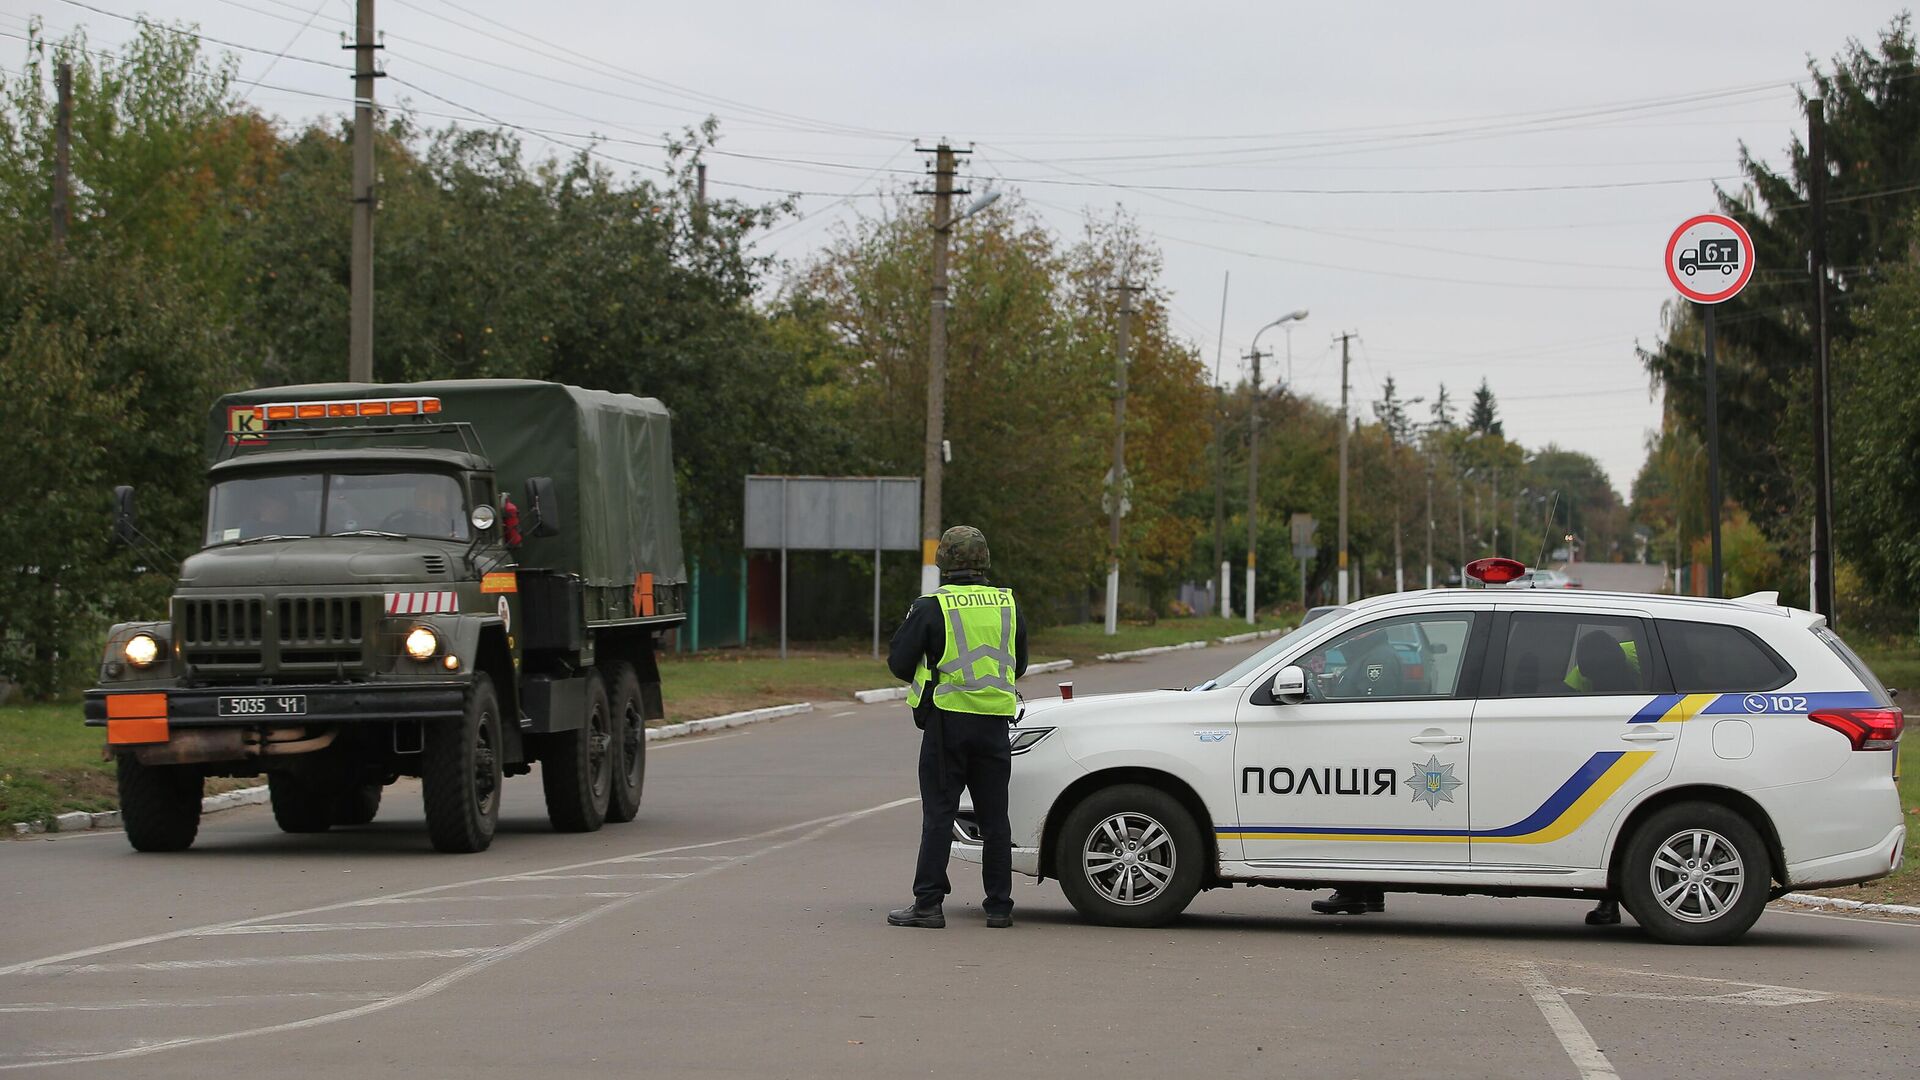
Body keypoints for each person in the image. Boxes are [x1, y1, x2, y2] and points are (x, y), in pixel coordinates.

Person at [884, 525, 1028, 930]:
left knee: (939, 813)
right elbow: (1019, 663)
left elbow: (898, 663)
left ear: (944, 561)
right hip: (995, 724)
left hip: (948, 723)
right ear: (984, 561)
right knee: (995, 817)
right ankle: (999, 907)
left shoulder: (932, 606)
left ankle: (928, 904)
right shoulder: (1007, 604)